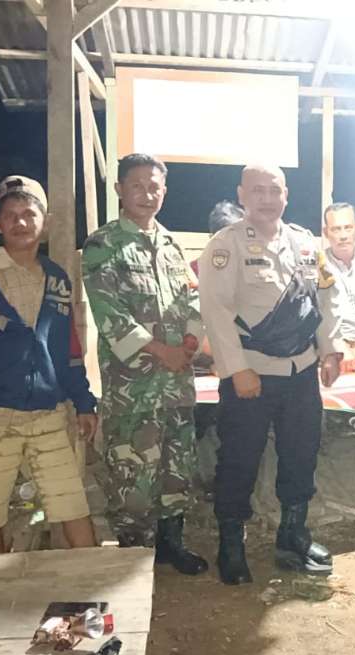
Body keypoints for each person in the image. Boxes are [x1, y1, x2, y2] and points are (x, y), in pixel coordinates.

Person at [0, 176, 98, 554]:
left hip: (48, 415)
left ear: (46, 222)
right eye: (10, 215)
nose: (21, 222)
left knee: (72, 504)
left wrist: (84, 401)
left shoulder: (57, 279)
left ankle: (91, 583)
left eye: (29, 213)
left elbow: (69, 349)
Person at [198, 165, 342, 585]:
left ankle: (293, 535)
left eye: (274, 190)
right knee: (239, 460)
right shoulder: (225, 246)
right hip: (251, 374)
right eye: (257, 190)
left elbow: (322, 300)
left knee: (301, 456)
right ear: (242, 195)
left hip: (301, 372)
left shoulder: (304, 243)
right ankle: (231, 543)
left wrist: (330, 350)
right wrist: (237, 369)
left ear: (286, 194)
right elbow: (216, 312)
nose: (266, 198)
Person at [82, 153, 208, 576]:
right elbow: (110, 313)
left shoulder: (172, 245)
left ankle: (172, 544)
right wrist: (161, 350)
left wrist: (189, 343)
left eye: (154, 187)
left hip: (176, 385)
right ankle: (134, 557)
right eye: (136, 185)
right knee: (133, 474)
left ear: (164, 191)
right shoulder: (103, 245)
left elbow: (193, 298)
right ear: (120, 189)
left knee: (177, 468)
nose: (146, 194)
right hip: (133, 390)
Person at [322, 201, 355, 371]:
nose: (343, 235)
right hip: (336, 349)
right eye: (336, 229)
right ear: (325, 233)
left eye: (348, 228)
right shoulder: (318, 266)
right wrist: (341, 349)